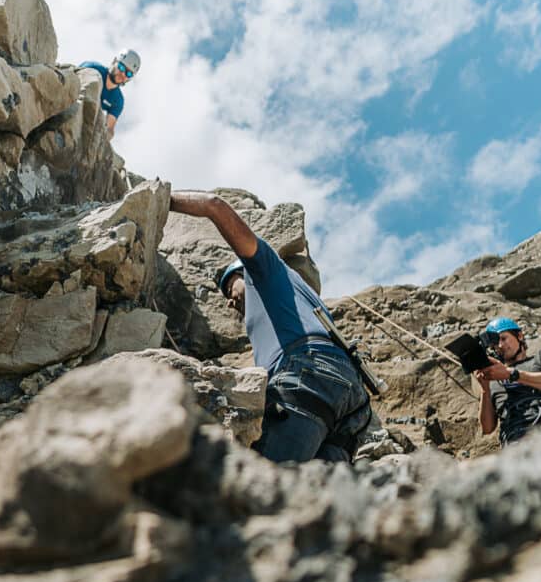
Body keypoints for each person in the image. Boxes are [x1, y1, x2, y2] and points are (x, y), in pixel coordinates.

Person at [169, 191, 372, 463]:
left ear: (245, 273)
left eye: (230, 287)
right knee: (316, 494)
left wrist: (161, 198)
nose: (230, 300)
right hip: (349, 399)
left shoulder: (264, 268)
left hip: (308, 373)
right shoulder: (300, 300)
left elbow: (214, 206)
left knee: (268, 480)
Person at [474, 317, 541, 445]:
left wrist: (511, 374)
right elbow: (487, 428)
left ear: (520, 336)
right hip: (516, 437)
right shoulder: (492, 379)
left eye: (503, 338)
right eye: (495, 343)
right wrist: (485, 389)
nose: (500, 346)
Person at [78, 49, 141, 139]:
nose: (123, 74)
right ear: (114, 62)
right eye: (121, 67)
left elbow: (109, 128)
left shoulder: (118, 100)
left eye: (129, 73)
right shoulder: (93, 68)